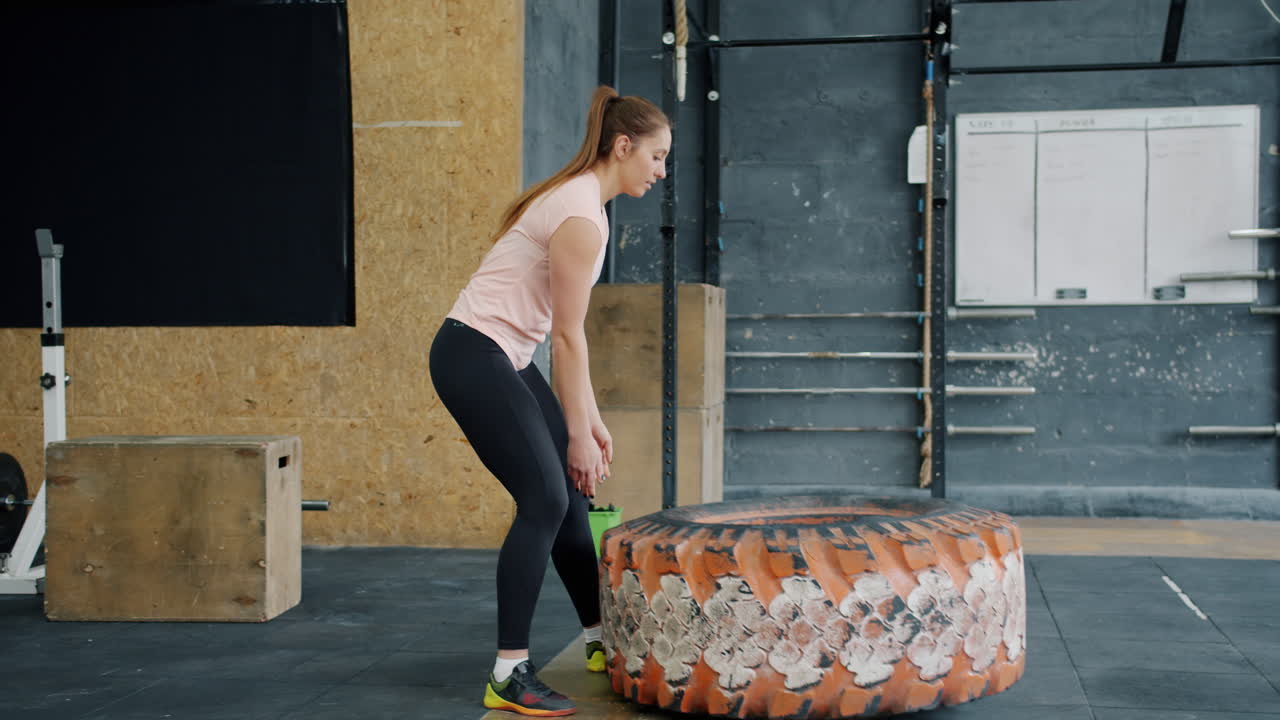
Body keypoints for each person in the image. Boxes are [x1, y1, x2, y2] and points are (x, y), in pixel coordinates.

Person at [429, 85, 671, 717]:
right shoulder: (581, 216)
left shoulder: (586, 205)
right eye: (657, 156)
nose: (661, 171)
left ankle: (599, 638)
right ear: (624, 146)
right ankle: (508, 673)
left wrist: (589, 424)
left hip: (503, 355)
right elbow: (566, 339)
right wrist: (579, 433)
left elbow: (562, 338)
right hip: (473, 354)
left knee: (569, 492)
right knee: (544, 499)